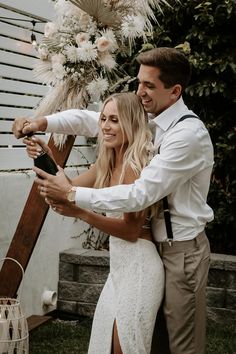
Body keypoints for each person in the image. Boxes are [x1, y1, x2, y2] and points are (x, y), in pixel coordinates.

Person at [12, 47, 214, 354]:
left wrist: (73, 198)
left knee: (181, 345)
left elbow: (140, 195)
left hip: (180, 249)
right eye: (139, 83)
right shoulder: (148, 120)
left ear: (174, 91)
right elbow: (89, 119)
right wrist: (42, 124)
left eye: (149, 85)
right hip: (148, 248)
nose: (139, 92)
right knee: (153, 343)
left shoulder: (186, 134)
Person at [24, 92, 165, 354]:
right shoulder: (107, 163)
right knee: (103, 346)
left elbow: (131, 231)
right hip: (119, 270)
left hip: (140, 269)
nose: (105, 126)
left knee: (127, 348)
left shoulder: (135, 166)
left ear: (131, 124)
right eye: (102, 119)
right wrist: (44, 155)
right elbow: (67, 187)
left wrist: (80, 212)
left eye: (114, 120)